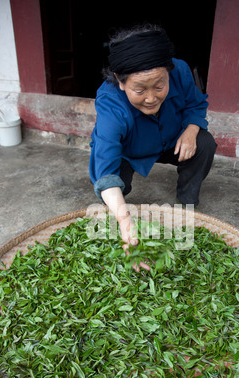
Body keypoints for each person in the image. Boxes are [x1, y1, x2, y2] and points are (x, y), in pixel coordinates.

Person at [89, 25, 217, 270]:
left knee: (204, 143)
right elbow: (105, 167)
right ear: (120, 80)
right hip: (129, 151)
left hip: (171, 140)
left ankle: (186, 202)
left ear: (169, 73)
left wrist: (191, 130)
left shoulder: (179, 70)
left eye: (159, 86)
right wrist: (125, 221)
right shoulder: (110, 104)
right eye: (139, 90)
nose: (151, 98)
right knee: (114, 191)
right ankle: (121, 221)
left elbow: (195, 104)